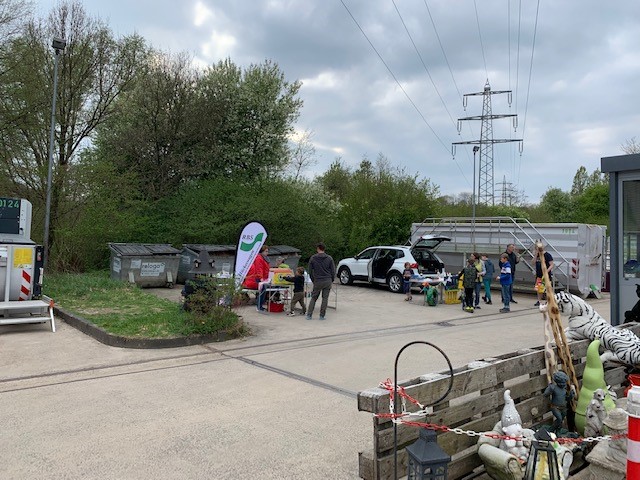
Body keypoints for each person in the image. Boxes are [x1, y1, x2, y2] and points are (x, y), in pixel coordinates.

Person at [306, 242, 336, 320]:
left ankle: (309, 314)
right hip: (327, 280)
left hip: (318, 280)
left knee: (314, 298)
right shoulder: (329, 258)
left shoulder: (313, 258)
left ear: (318, 249)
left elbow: (310, 271)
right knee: (325, 298)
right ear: (324, 249)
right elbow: (333, 271)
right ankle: (322, 315)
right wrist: (332, 279)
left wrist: (313, 279)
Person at [242, 245, 271, 311]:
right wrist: (261, 278)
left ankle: (260, 306)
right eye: (266, 251)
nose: (267, 253)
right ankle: (259, 306)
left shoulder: (264, 258)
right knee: (262, 290)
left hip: (263, 278)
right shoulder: (259, 258)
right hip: (259, 278)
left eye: (267, 251)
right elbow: (259, 268)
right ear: (262, 251)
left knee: (263, 290)